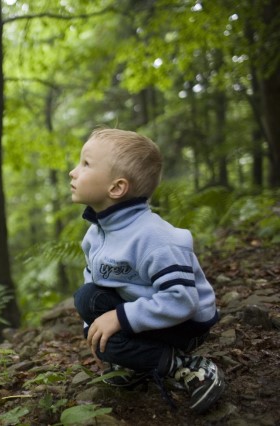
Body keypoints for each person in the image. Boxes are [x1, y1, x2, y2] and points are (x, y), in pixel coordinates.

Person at [69, 128, 226, 413]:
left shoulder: (155, 239)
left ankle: (188, 367)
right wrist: (93, 327)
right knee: (86, 299)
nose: (73, 172)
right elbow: (94, 280)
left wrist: (118, 318)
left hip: (184, 323)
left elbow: (182, 300)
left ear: (116, 188)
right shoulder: (96, 233)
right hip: (145, 311)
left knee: (111, 345)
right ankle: (139, 361)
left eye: (86, 164)